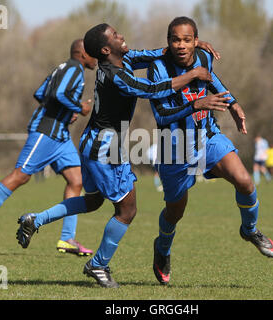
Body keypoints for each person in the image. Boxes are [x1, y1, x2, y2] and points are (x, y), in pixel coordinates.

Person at [15, 23, 220, 288]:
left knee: (92, 202)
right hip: (105, 148)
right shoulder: (116, 76)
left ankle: (36, 219)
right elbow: (152, 90)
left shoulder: (122, 60)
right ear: (105, 49)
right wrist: (192, 76)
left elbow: (152, 55)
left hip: (91, 142)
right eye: (115, 36)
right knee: (127, 210)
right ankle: (98, 265)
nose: (121, 36)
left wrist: (187, 45)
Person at [147, 17, 273, 285]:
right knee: (175, 212)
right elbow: (161, 115)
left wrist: (233, 104)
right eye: (175, 39)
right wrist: (196, 105)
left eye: (186, 39)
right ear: (168, 41)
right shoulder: (158, 68)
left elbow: (213, 80)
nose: (181, 45)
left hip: (207, 137)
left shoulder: (204, 57)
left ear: (196, 41)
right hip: (175, 149)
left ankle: (250, 230)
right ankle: (162, 248)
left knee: (244, 181)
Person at [0, 39, 96, 256]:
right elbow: (58, 95)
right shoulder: (75, 69)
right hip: (46, 132)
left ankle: (67, 239)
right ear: (82, 54)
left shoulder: (61, 68)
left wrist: (65, 112)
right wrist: (78, 107)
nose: (97, 59)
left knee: (77, 180)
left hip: (60, 136)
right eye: (93, 54)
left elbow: (40, 92)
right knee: (21, 176)